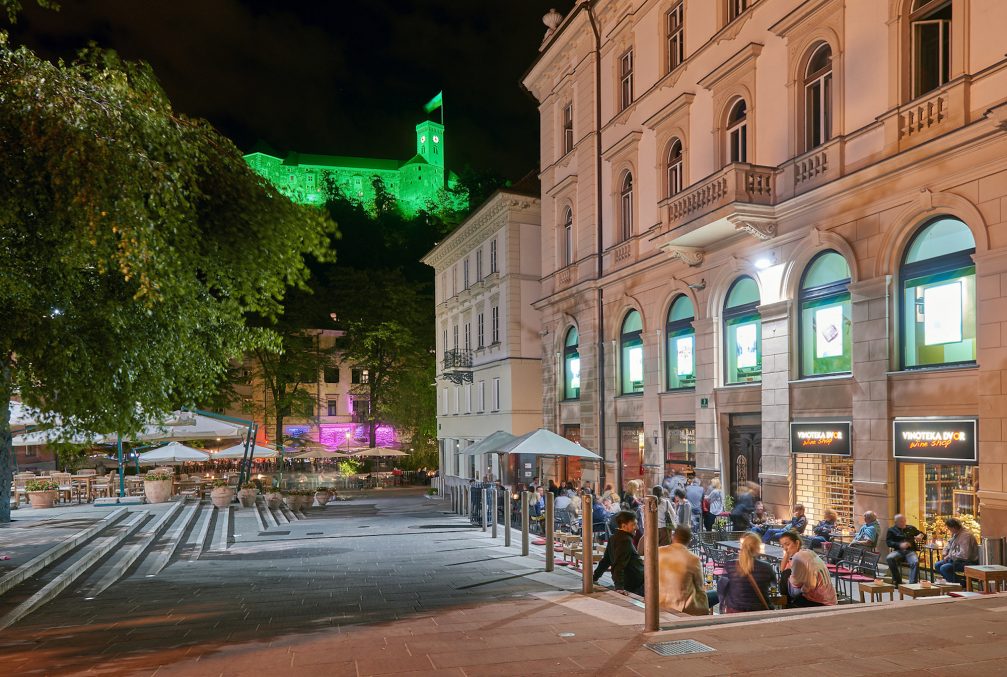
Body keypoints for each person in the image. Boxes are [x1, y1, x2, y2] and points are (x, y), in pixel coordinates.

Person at [717, 533, 777, 613]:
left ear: (742, 546)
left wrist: (721, 607)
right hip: (759, 611)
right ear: (758, 548)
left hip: (735, 611)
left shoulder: (730, 565)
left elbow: (722, 588)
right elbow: (774, 585)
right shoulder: (766, 567)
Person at [658, 526, 711, 616]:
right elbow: (699, 586)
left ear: (673, 537)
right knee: (715, 594)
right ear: (689, 541)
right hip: (683, 606)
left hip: (661, 602)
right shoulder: (692, 559)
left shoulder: (659, 552)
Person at [778, 531, 837, 607]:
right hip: (830, 598)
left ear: (797, 543)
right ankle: (786, 604)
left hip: (819, 600)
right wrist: (787, 552)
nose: (785, 548)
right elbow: (782, 570)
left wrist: (793, 583)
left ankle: (785, 605)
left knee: (785, 578)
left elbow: (799, 583)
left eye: (787, 544)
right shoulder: (808, 552)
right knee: (785, 576)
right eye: (782, 546)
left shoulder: (798, 557)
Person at [593, 511, 644, 595]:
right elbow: (619, 565)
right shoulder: (625, 541)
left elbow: (606, 560)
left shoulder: (614, 538)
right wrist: (619, 587)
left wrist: (595, 577)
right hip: (636, 584)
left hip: (633, 582)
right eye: (633, 524)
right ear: (624, 526)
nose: (637, 527)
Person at [935, 517, 980, 584]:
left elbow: (964, 555)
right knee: (937, 565)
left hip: (967, 562)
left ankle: (961, 584)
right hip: (957, 560)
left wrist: (949, 556)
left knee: (944, 568)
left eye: (949, 529)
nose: (949, 530)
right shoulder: (956, 533)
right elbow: (949, 544)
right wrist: (945, 552)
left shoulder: (966, 536)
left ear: (954, 527)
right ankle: (954, 582)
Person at [884, 514, 923, 586]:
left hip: (910, 551)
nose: (903, 523)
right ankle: (898, 581)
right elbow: (889, 542)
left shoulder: (911, 528)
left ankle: (912, 584)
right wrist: (899, 545)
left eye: (904, 521)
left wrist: (920, 535)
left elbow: (922, 534)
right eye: (901, 521)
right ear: (896, 522)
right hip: (898, 551)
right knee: (889, 558)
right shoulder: (891, 530)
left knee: (915, 562)